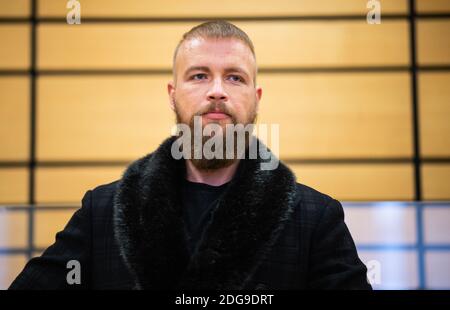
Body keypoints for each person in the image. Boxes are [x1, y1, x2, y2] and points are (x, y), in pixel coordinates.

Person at [10, 20, 371, 290]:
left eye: (234, 78)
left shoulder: (316, 218)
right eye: (199, 76)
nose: (217, 91)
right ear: (172, 93)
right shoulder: (102, 211)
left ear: (256, 97)